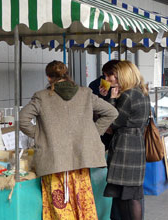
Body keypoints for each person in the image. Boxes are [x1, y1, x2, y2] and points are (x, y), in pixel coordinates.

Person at [19, 60, 118, 220]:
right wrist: (93, 133)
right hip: (81, 160)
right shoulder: (85, 94)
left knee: (59, 207)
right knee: (82, 203)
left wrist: (40, 135)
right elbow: (111, 112)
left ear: (49, 77)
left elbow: (23, 119)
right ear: (67, 74)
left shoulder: (42, 97)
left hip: (54, 161)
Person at [104, 60, 150, 220]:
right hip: (135, 146)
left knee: (127, 197)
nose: (108, 78)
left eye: (111, 75)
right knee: (130, 195)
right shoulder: (141, 92)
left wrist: (111, 98)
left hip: (125, 149)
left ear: (122, 75)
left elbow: (112, 122)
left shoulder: (128, 96)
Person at [89, 60, 120, 151]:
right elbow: (93, 108)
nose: (106, 79)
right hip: (104, 131)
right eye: (105, 75)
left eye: (107, 75)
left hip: (114, 132)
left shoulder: (126, 89)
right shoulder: (97, 85)